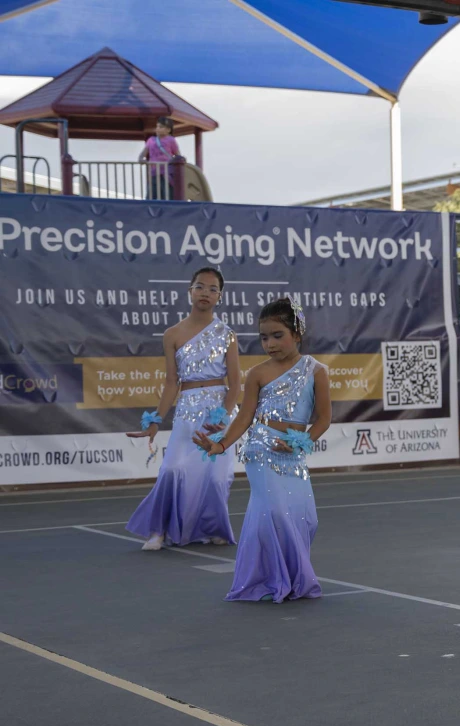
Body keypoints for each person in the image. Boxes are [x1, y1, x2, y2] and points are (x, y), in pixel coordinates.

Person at [195, 299, 331, 603]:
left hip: (293, 451)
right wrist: (219, 444)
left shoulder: (316, 371)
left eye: (277, 335)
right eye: (264, 337)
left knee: (303, 517)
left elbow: (323, 418)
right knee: (274, 513)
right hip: (262, 448)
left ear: (297, 333)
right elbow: (245, 417)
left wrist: (301, 442)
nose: (270, 344)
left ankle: (293, 578)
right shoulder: (257, 373)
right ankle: (270, 580)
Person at [125, 267, 239, 550]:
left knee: (216, 477)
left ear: (219, 297)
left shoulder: (227, 334)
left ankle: (213, 528)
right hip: (187, 410)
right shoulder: (172, 334)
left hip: (219, 411)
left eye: (213, 289)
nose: (205, 293)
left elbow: (236, 384)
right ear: (190, 291)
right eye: (200, 286)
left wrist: (223, 416)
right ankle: (159, 531)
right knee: (173, 469)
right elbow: (171, 382)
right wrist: (155, 421)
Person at [138, 117, 181, 201]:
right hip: (154, 173)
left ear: (168, 130)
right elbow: (143, 154)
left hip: (167, 174)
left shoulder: (171, 140)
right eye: (157, 126)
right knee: (151, 195)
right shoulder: (151, 140)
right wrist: (142, 160)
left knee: (167, 195)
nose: (157, 129)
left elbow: (178, 156)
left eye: (161, 127)